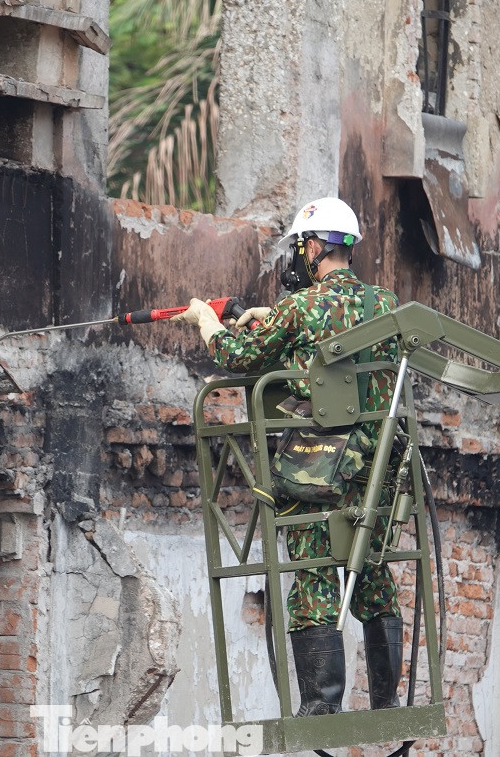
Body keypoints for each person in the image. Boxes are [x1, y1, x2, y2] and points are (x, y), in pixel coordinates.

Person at [172, 196, 403, 716]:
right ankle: (388, 702)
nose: (296, 258)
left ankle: (321, 706)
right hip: (380, 468)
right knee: (373, 567)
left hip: (322, 465)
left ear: (315, 246)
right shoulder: (387, 305)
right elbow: (326, 337)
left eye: (300, 248)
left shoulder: (302, 308)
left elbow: (238, 356)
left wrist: (208, 322)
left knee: (317, 572)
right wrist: (269, 317)